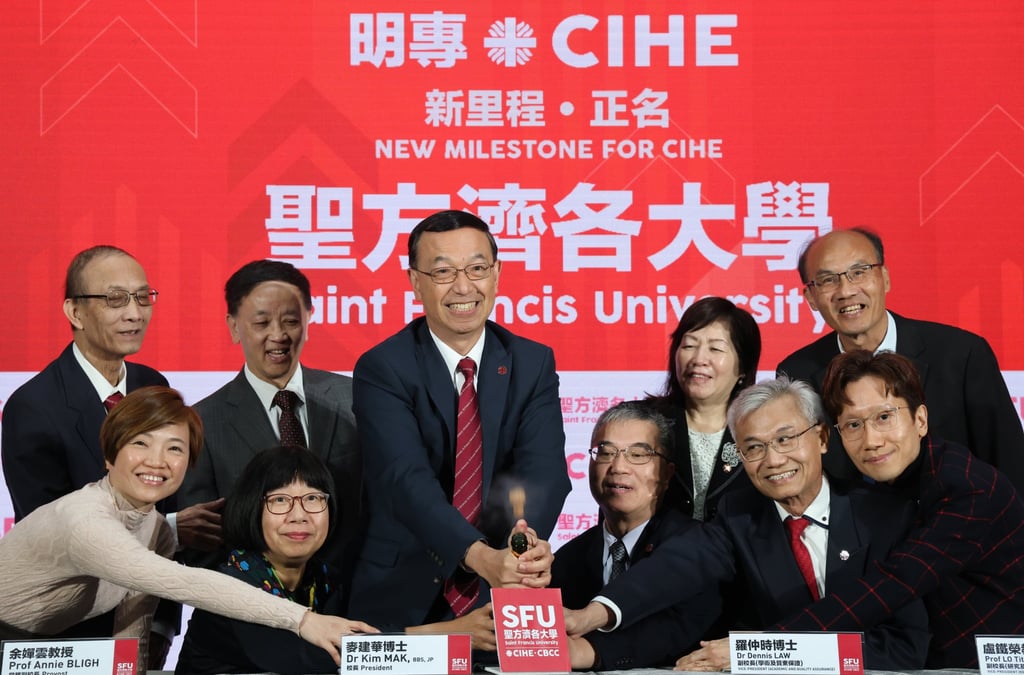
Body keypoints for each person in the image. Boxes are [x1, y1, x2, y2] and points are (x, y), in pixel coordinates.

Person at [563, 377, 930, 672]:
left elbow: (902, 647)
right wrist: (594, 613)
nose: (772, 460)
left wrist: (759, 652)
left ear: (821, 438)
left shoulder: (884, 517)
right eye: (753, 448)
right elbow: (676, 567)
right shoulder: (741, 516)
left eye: (785, 439)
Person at [0, 386, 375, 669]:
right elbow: (185, 583)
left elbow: (132, 627)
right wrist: (303, 620)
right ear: (110, 454)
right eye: (140, 443)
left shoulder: (155, 527)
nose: (157, 461)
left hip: (35, 653)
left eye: (175, 449)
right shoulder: (84, 521)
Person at [0, 245, 222, 665]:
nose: (135, 313)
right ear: (74, 312)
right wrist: (171, 528)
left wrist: (161, 624)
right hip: (64, 634)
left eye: (143, 297)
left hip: (144, 620)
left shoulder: (151, 384)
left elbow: (167, 497)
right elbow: (56, 537)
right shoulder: (34, 406)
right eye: (115, 299)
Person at [348, 209, 568, 630]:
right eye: (443, 272)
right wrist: (480, 557)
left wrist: (520, 552)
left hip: (505, 584)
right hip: (401, 589)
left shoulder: (532, 362)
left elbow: (544, 472)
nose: (464, 286)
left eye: (478, 268)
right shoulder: (382, 367)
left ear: (497, 274)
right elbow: (403, 478)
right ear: (416, 282)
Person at [774, 350, 1024, 668]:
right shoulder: (877, 486)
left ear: (920, 420)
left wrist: (770, 646)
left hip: (996, 663)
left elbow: (895, 583)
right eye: (852, 425)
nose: (871, 440)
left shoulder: (967, 487)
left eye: (883, 417)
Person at [178, 446, 498, 674]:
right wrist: (453, 634)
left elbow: (367, 632)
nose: (299, 515)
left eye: (313, 499)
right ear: (251, 508)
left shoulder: (324, 577)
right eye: (280, 500)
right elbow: (321, 657)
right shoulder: (229, 586)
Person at [777, 227, 1024, 487]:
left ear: (884, 278)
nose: (846, 291)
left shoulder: (962, 354)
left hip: (957, 520)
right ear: (811, 297)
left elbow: (1010, 463)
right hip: (855, 525)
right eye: (828, 280)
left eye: (859, 273)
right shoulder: (798, 374)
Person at [178, 259, 361, 572]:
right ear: (234, 326)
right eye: (262, 324)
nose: (278, 335)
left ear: (309, 319)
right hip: (250, 606)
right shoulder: (201, 423)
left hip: (352, 602)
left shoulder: (356, 399)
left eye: (290, 321)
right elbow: (202, 544)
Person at [551, 400, 720, 670]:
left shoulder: (696, 547)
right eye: (605, 452)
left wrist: (586, 651)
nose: (618, 467)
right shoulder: (566, 559)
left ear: (667, 473)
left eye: (638, 455)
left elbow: (674, 630)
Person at [647, 296, 761, 521]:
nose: (699, 359)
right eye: (689, 345)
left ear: (743, 367)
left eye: (716, 349)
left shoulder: (761, 431)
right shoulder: (644, 423)